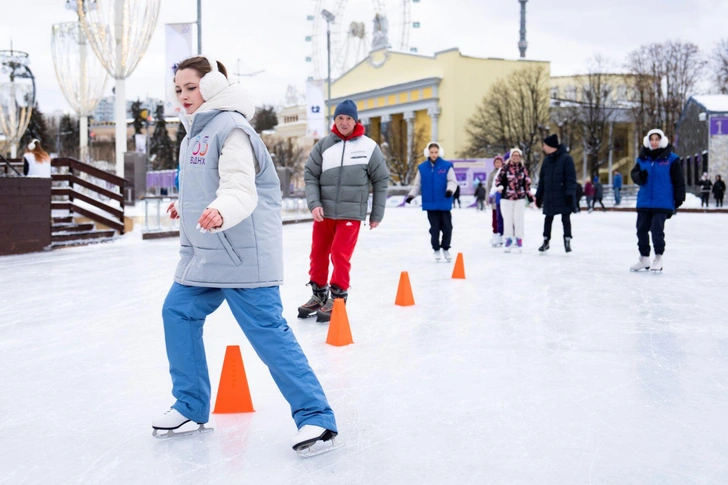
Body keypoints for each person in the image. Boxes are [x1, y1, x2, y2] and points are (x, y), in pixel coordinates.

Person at [155, 56, 337, 454]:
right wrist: (184, 205)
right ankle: (189, 406)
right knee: (177, 312)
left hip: (242, 254)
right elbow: (204, 186)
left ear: (214, 85)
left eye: (191, 87)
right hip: (204, 253)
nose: (183, 96)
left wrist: (222, 210)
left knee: (268, 332)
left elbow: (240, 188)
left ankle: (316, 417)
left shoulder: (231, 128)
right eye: (178, 90)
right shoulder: (192, 135)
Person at [299, 99, 389, 322]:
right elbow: (310, 174)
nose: (344, 122)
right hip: (324, 213)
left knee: (340, 254)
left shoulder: (369, 147)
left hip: (351, 213)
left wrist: (376, 214)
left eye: (349, 118)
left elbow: (381, 180)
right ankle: (318, 294)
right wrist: (314, 203)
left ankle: (338, 296)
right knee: (318, 253)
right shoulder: (323, 145)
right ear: (335, 120)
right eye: (340, 117)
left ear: (355, 120)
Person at [629, 128, 686, 272]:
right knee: (641, 230)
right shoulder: (642, 159)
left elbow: (679, 180)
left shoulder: (672, 159)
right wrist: (639, 176)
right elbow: (634, 174)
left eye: (657, 139)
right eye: (652, 139)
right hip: (644, 201)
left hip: (662, 201)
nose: (654, 142)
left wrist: (679, 197)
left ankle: (658, 257)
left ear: (662, 140)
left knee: (656, 230)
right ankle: (644, 258)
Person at [406, 141, 458, 261]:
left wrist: (450, 190)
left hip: (444, 202)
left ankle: (445, 248)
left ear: (439, 152)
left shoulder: (446, 166)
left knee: (447, 227)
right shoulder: (422, 168)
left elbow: (452, 181)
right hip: (430, 204)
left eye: (436, 152)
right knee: (434, 228)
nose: (434, 154)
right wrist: (411, 195)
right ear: (428, 153)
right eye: (431, 152)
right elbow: (417, 185)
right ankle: (436, 249)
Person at [535, 134, 576, 253]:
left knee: (565, 218)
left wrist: (570, 194)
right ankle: (546, 241)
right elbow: (542, 180)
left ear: (550, 146)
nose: (543, 147)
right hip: (549, 195)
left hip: (563, 195)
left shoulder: (567, 159)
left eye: (544, 145)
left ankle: (567, 241)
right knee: (548, 218)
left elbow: (571, 178)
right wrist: (538, 196)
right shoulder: (547, 160)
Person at [495, 148, 532, 253]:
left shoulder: (523, 169)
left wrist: (530, 197)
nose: (516, 157)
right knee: (508, 220)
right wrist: (500, 186)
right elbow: (498, 180)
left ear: (520, 157)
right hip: (506, 198)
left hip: (519, 198)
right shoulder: (504, 168)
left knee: (519, 219)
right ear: (511, 156)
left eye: (518, 156)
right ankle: (508, 239)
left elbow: (527, 183)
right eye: (514, 155)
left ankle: (519, 239)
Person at [485, 155, 504, 246]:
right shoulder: (492, 173)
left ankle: (502, 234)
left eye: (499, 162)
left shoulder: (504, 172)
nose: (498, 164)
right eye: (496, 162)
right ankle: (495, 233)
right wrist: (487, 198)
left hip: (503, 199)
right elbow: (489, 186)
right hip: (494, 199)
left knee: (502, 217)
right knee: (495, 218)